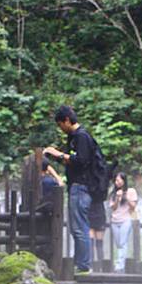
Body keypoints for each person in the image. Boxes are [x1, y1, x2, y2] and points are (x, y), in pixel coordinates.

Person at [43, 105, 94, 274]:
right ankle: (81, 263)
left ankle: (84, 266)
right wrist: (59, 157)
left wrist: (57, 154)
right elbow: (72, 161)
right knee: (76, 227)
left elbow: (82, 160)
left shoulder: (82, 136)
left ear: (66, 120)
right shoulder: (74, 138)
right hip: (76, 186)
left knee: (80, 227)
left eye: (60, 125)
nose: (61, 129)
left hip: (81, 186)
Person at [109, 172, 138, 272]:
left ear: (124, 181)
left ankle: (120, 265)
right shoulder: (113, 193)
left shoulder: (131, 191)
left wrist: (125, 197)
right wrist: (117, 198)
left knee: (123, 242)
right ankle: (121, 263)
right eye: (116, 180)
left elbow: (133, 206)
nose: (118, 182)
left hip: (126, 219)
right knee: (118, 243)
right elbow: (113, 207)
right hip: (115, 220)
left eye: (120, 180)